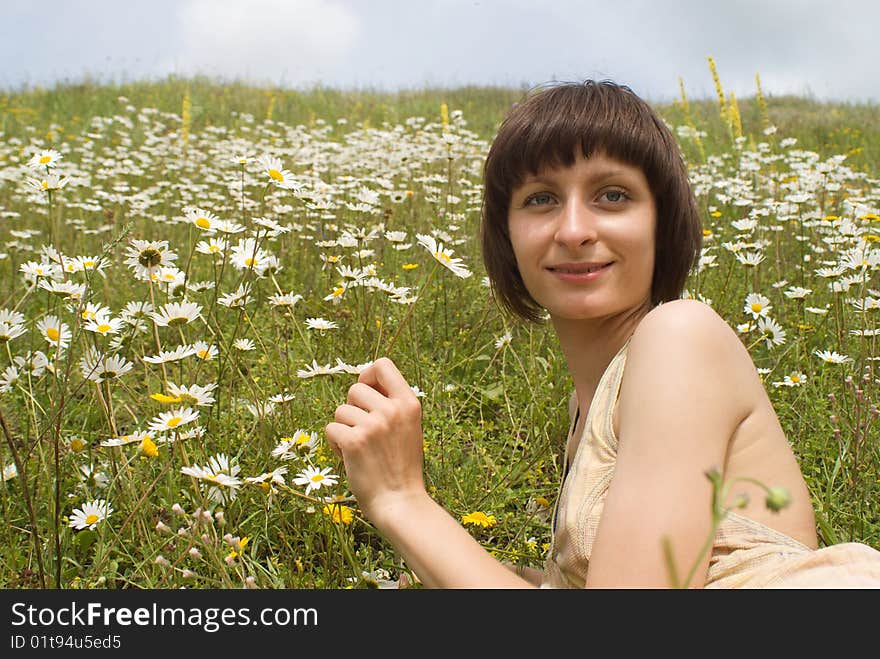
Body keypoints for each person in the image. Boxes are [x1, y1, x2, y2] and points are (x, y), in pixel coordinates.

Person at [324, 80, 880, 588]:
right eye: (540, 199)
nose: (573, 231)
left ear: (664, 223)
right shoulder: (588, 404)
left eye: (612, 195)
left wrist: (402, 500)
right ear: (507, 237)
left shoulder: (679, 338)